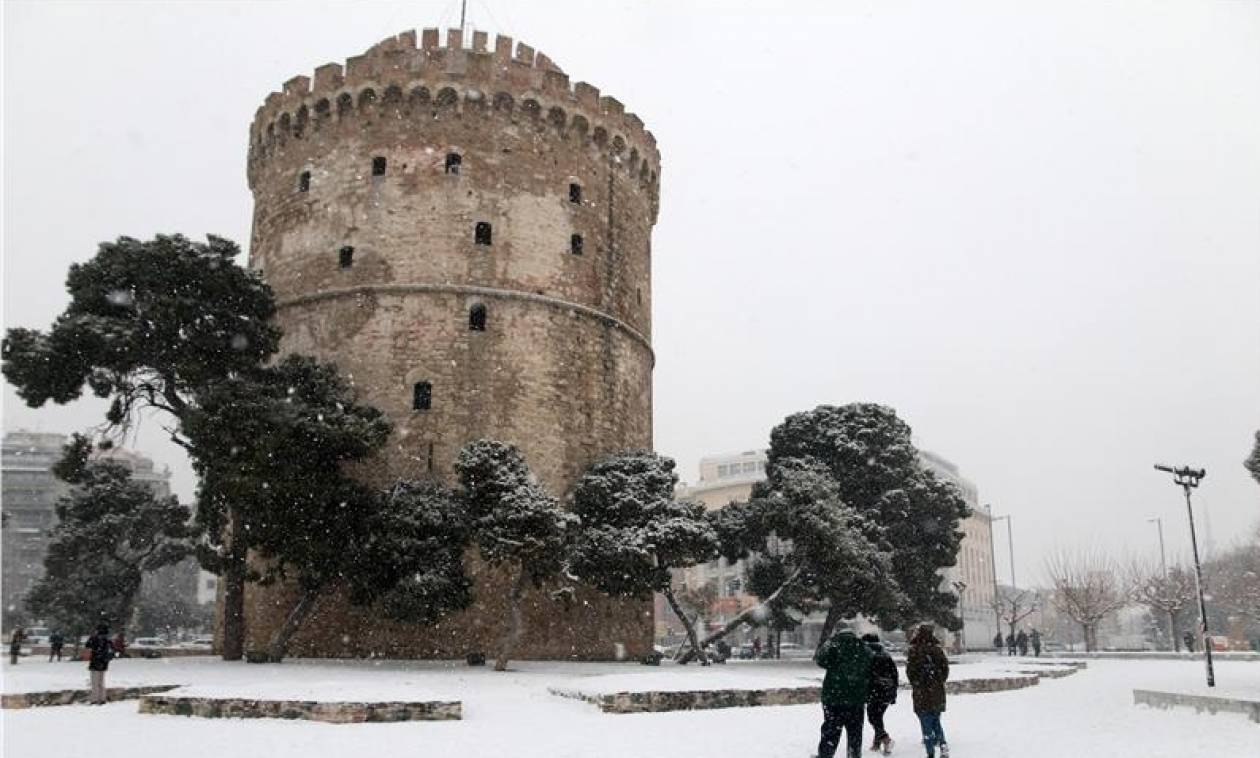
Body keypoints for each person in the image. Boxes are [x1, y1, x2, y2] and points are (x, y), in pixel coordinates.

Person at [814, 625, 873, 758]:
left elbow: (820, 660)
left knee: (831, 730)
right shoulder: (863, 647)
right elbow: (870, 662)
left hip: (833, 697)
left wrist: (829, 643)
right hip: (856, 698)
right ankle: (854, 754)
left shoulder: (833, 644)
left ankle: (825, 754)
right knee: (855, 732)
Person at [907, 624, 951, 758]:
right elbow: (945, 669)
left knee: (925, 720)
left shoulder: (915, 650)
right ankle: (942, 743)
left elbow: (910, 672)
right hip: (936, 691)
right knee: (935, 719)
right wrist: (938, 681)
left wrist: (917, 683)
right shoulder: (937, 650)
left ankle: (930, 751)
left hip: (922, 691)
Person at [862, 633, 899, 755]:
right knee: (878, 716)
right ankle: (877, 743)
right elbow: (895, 675)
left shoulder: (867, 656)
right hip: (887, 691)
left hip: (874, 691)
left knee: (873, 717)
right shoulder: (886, 655)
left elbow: (866, 676)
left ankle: (885, 739)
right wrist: (893, 692)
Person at [86, 624, 116, 705]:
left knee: (94, 682)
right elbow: (113, 650)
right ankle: (102, 698)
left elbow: (87, 645)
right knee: (101, 682)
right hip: (104, 663)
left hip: (95, 662)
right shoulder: (108, 640)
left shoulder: (94, 638)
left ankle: (94, 699)